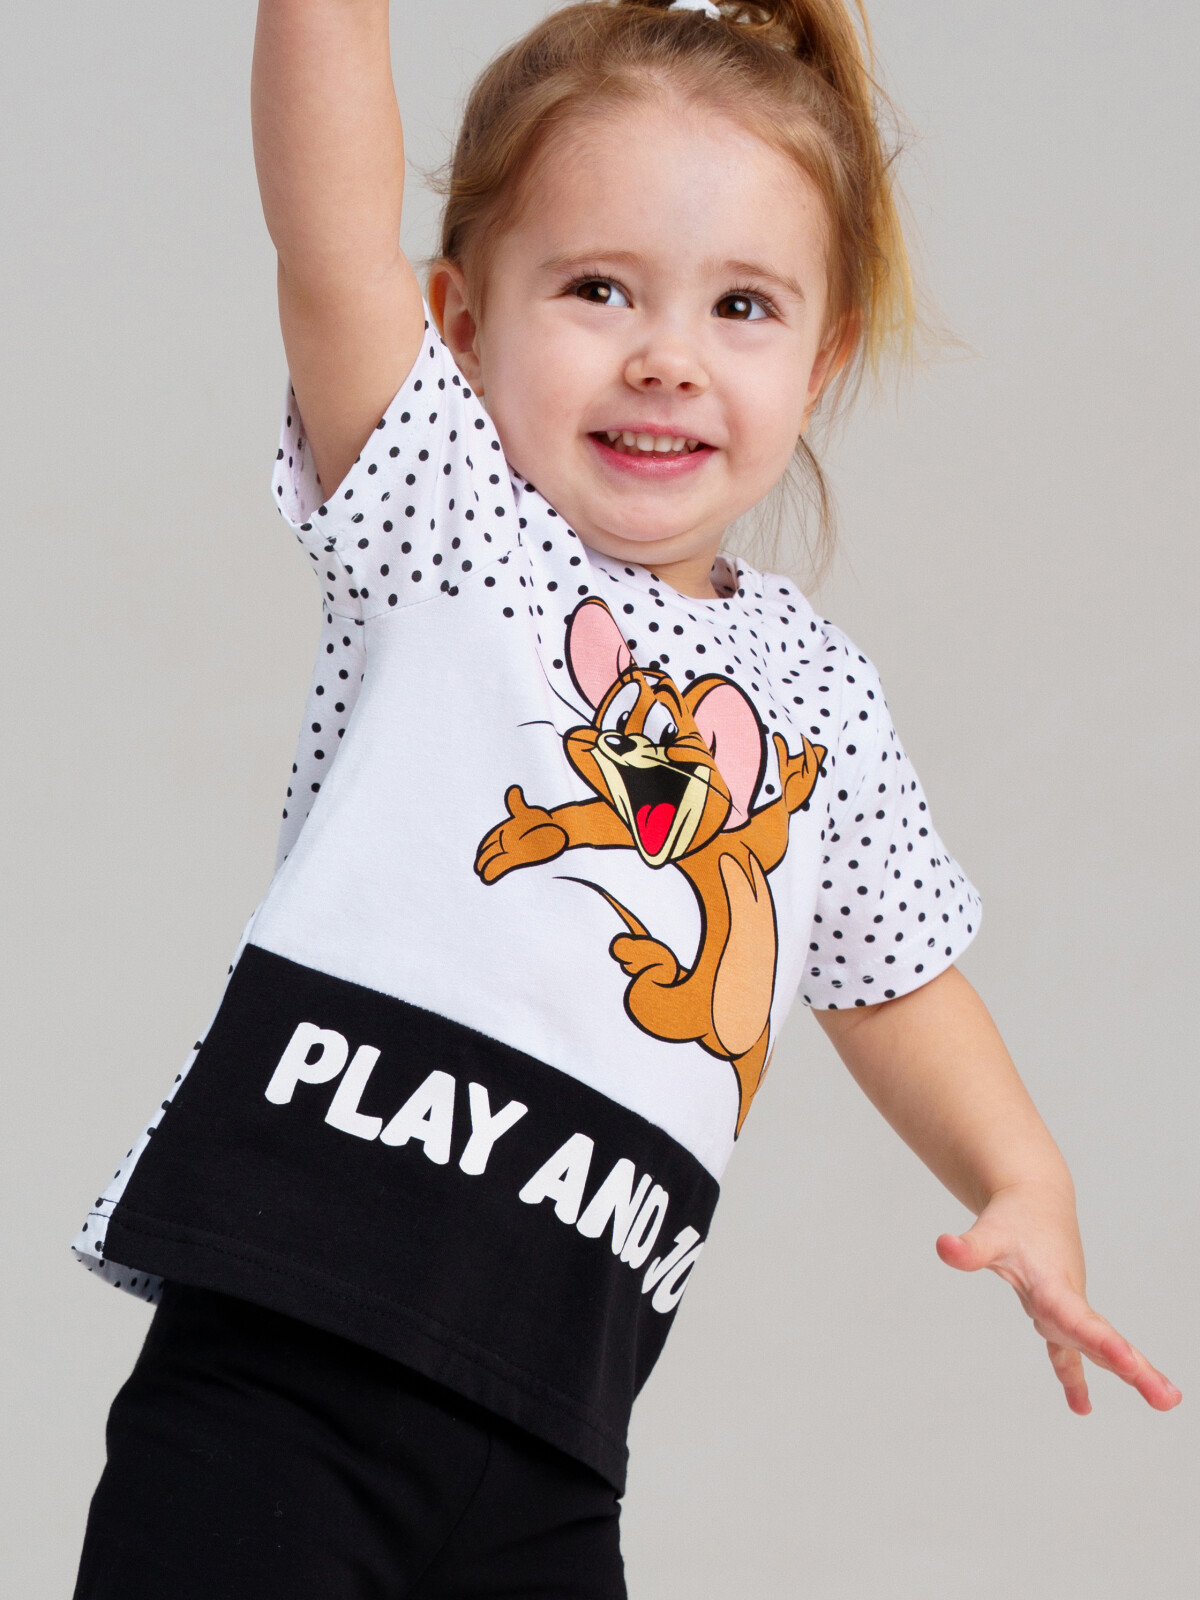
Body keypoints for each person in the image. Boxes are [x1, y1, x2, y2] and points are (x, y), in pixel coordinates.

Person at [70, 1, 1181, 1595]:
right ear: (459, 320)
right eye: (597, 289)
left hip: (555, 1448)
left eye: (743, 305)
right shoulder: (446, 521)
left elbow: (898, 976)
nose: (667, 356)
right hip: (288, 1379)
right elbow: (328, 242)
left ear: (823, 357)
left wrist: (1026, 1178)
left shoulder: (818, 696)